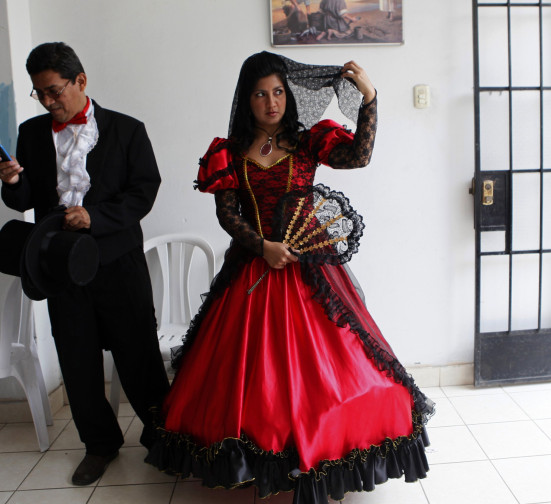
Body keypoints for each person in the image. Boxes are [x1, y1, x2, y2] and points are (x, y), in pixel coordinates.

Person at [145, 51, 433, 504]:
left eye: (278, 92)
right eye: (261, 94)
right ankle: (265, 456)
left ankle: (321, 445)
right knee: (250, 371)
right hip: (254, 266)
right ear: (247, 100)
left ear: (289, 95)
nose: (271, 102)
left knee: (330, 363)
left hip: (311, 267)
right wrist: (264, 248)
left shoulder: (308, 141)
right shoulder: (229, 152)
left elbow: (359, 156)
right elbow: (227, 215)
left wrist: (370, 97)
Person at [0, 42, 168, 486]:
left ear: (80, 81)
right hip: (61, 264)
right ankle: (99, 444)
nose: (48, 102)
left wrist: (96, 217)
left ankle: (164, 437)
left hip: (117, 261)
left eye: (54, 91)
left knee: (139, 354)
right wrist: (13, 181)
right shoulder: (32, 134)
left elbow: (143, 192)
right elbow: (26, 198)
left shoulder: (127, 130)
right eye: (40, 94)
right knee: (77, 358)